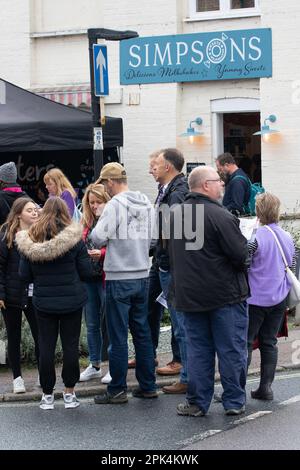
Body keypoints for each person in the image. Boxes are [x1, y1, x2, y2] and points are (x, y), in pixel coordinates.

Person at [170, 166, 249, 416]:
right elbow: (241, 255)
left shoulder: (173, 215)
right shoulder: (221, 215)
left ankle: (197, 402)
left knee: (197, 351)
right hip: (224, 295)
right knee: (231, 349)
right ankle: (234, 401)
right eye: (218, 181)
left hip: (189, 296)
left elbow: (165, 255)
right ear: (205, 185)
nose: (222, 185)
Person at [16, 197, 93, 410]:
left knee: (46, 347)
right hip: (72, 300)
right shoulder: (75, 239)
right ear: (65, 213)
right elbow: (86, 271)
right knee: (70, 346)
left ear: (43, 213)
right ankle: (69, 393)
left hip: (43, 303)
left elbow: (24, 275)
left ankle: (47, 396)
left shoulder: (31, 238)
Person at [91, 162, 157, 404]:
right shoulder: (147, 203)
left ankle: (117, 389)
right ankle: (148, 386)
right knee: (142, 333)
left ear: (110, 182)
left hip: (119, 277)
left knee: (118, 336)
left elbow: (97, 238)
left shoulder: (114, 206)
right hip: (142, 275)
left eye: (104, 184)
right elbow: (154, 240)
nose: (105, 189)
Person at [247, 192, 295, 400]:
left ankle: (237, 389)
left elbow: (243, 264)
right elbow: (291, 266)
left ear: (258, 212)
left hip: (255, 299)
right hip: (279, 298)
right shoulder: (287, 237)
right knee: (269, 342)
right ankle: (266, 388)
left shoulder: (255, 239)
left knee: (245, 343)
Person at [151, 148, 189, 393]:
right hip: (164, 261)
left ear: (169, 167)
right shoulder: (168, 190)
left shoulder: (177, 193)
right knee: (177, 321)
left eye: (157, 164)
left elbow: (176, 232)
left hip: (171, 265)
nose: (151, 168)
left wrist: (164, 258)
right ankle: (185, 372)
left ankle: (187, 377)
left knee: (181, 323)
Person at [0, 197, 40, 393]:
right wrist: (1, 293)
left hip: (35, 294)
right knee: (14, 337)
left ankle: (43, 372)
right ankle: (17, 379)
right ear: (18, 214)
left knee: (40, 335)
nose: (34, 213)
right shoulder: (6, 234)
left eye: (35, 209)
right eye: (29, 210)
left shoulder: (40, 233)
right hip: (12, 294)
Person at [79, 183, 111, 385]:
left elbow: (120, 247)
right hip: (88, 278)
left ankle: (114, 366)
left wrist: (101, 254)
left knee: (110, 324)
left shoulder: (112, 219)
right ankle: (95, 364)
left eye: (98, 202)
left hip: (107, 277)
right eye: (91, 202)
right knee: (91, 324)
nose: (94, 206)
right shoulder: (85, 221)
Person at [216, 152, 250, 216]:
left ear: (227, 165)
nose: (220, 172)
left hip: (237, 219)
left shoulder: (237, 181)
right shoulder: (238, 175)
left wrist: (220, 210)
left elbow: (236, 205)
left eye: (220, 169)